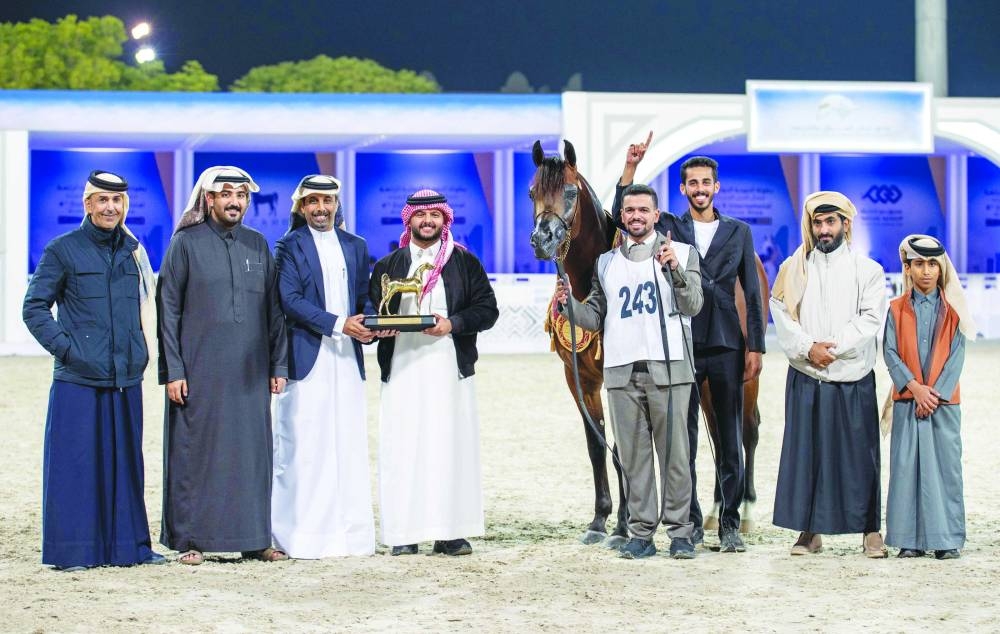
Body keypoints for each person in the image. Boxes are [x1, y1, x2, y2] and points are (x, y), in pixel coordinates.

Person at [613, 135, 764, 552]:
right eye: (692, 183)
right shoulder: (669, 226)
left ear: (716, 187)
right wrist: (630, 168)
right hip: (681, 343)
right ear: (683, 189)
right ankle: (692, 522)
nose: (700, 189)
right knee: (684, 439)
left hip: (727, 343)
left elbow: (752, 294)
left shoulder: (739, 231)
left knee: (729, 437)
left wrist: (755, 348)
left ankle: (730, 523)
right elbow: (624, 214)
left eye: (706, 183)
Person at [23, 170, 162, 571]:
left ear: (125, 206)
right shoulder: (62, 249)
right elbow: (34, 308)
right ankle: (75, 551)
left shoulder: (134, 251)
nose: (110, 207)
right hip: (78, 378)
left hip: (125, 376)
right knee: (76, 465)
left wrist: (140, 353)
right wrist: (68, 350)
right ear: (87, 204)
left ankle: (130, 548)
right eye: (102, 200)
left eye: (117, 201)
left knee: (126, 465)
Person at [555, 184, 703, 560]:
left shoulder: (683, 253)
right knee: (634, 459)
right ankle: (640, 533)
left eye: (643, 210)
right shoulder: (606, 263)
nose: (636, 216)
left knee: (675, 457)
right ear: (622, 217)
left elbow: (693, 304)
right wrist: (569, 304)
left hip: (669, 368)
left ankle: (681, 533)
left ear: (656, 215)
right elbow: (594, 316)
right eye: (630, 210)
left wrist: (675, 270)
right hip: (622, 371)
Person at [157, 166, 289, 565]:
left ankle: (254, 538)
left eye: (241, 195)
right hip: (198, 371)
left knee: (252, 454)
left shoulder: (257, 244)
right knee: (195, 452)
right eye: (226, 193)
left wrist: (278, 364)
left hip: (250, 372)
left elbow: (274, 310)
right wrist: (174, 370)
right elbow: (168, 311)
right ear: (209, 199)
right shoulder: (185, 243)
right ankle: (191, 539)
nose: (235, 201)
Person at [370, 189, 498, 556]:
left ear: (444, 219)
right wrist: (379, 329)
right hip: (402, 369)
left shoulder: (464, 262)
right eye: (420, 215)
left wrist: (453, 324)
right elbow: (373, 310)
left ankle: (450, 533)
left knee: (449, 448)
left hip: (449, 370)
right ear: (408, 220)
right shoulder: (389, 265)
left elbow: (487, 310)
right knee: (402, 448)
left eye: (434, 215)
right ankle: (403, 534)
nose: (427, 221)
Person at [770, 191, 887, 558]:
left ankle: (870, 530)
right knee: (808, 456)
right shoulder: (794, 268)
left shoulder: (868, 270)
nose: (823, 230)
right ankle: (809, 531)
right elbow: (781, 313)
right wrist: (809, 348)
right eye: (817, 223)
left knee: (860, 457)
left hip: (853, 375)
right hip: (807, 374)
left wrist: (830, 348)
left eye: (830, 222)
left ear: (845, 225)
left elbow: (869, 319)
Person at [271, 175, 376, 558]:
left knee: (347, 445)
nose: (320, 208)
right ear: (301, 207)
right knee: (303, 447)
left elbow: (364, 298)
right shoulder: (288, 245)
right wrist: (339, 324)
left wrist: (370, 323)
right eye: (312, 201)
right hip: (306, 357)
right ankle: (297, 537)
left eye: (327, 201)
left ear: (336, 204)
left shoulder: (355, 245)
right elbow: (290, 299)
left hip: (347, 360)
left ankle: (351, 537)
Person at [883, 235, 975, 560]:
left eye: (932, 264)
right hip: (908, 402)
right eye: (919, 263)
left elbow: (957, 355)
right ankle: (909, 541)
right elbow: (890, 353)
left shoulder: (955, 311)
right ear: (907, 268)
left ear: (941, 269)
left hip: (943, 404)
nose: (926, 271)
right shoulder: (895, 309)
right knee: (906, 469)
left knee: (945, 469)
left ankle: (947, 539)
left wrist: (933, 394)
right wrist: (916, 389)